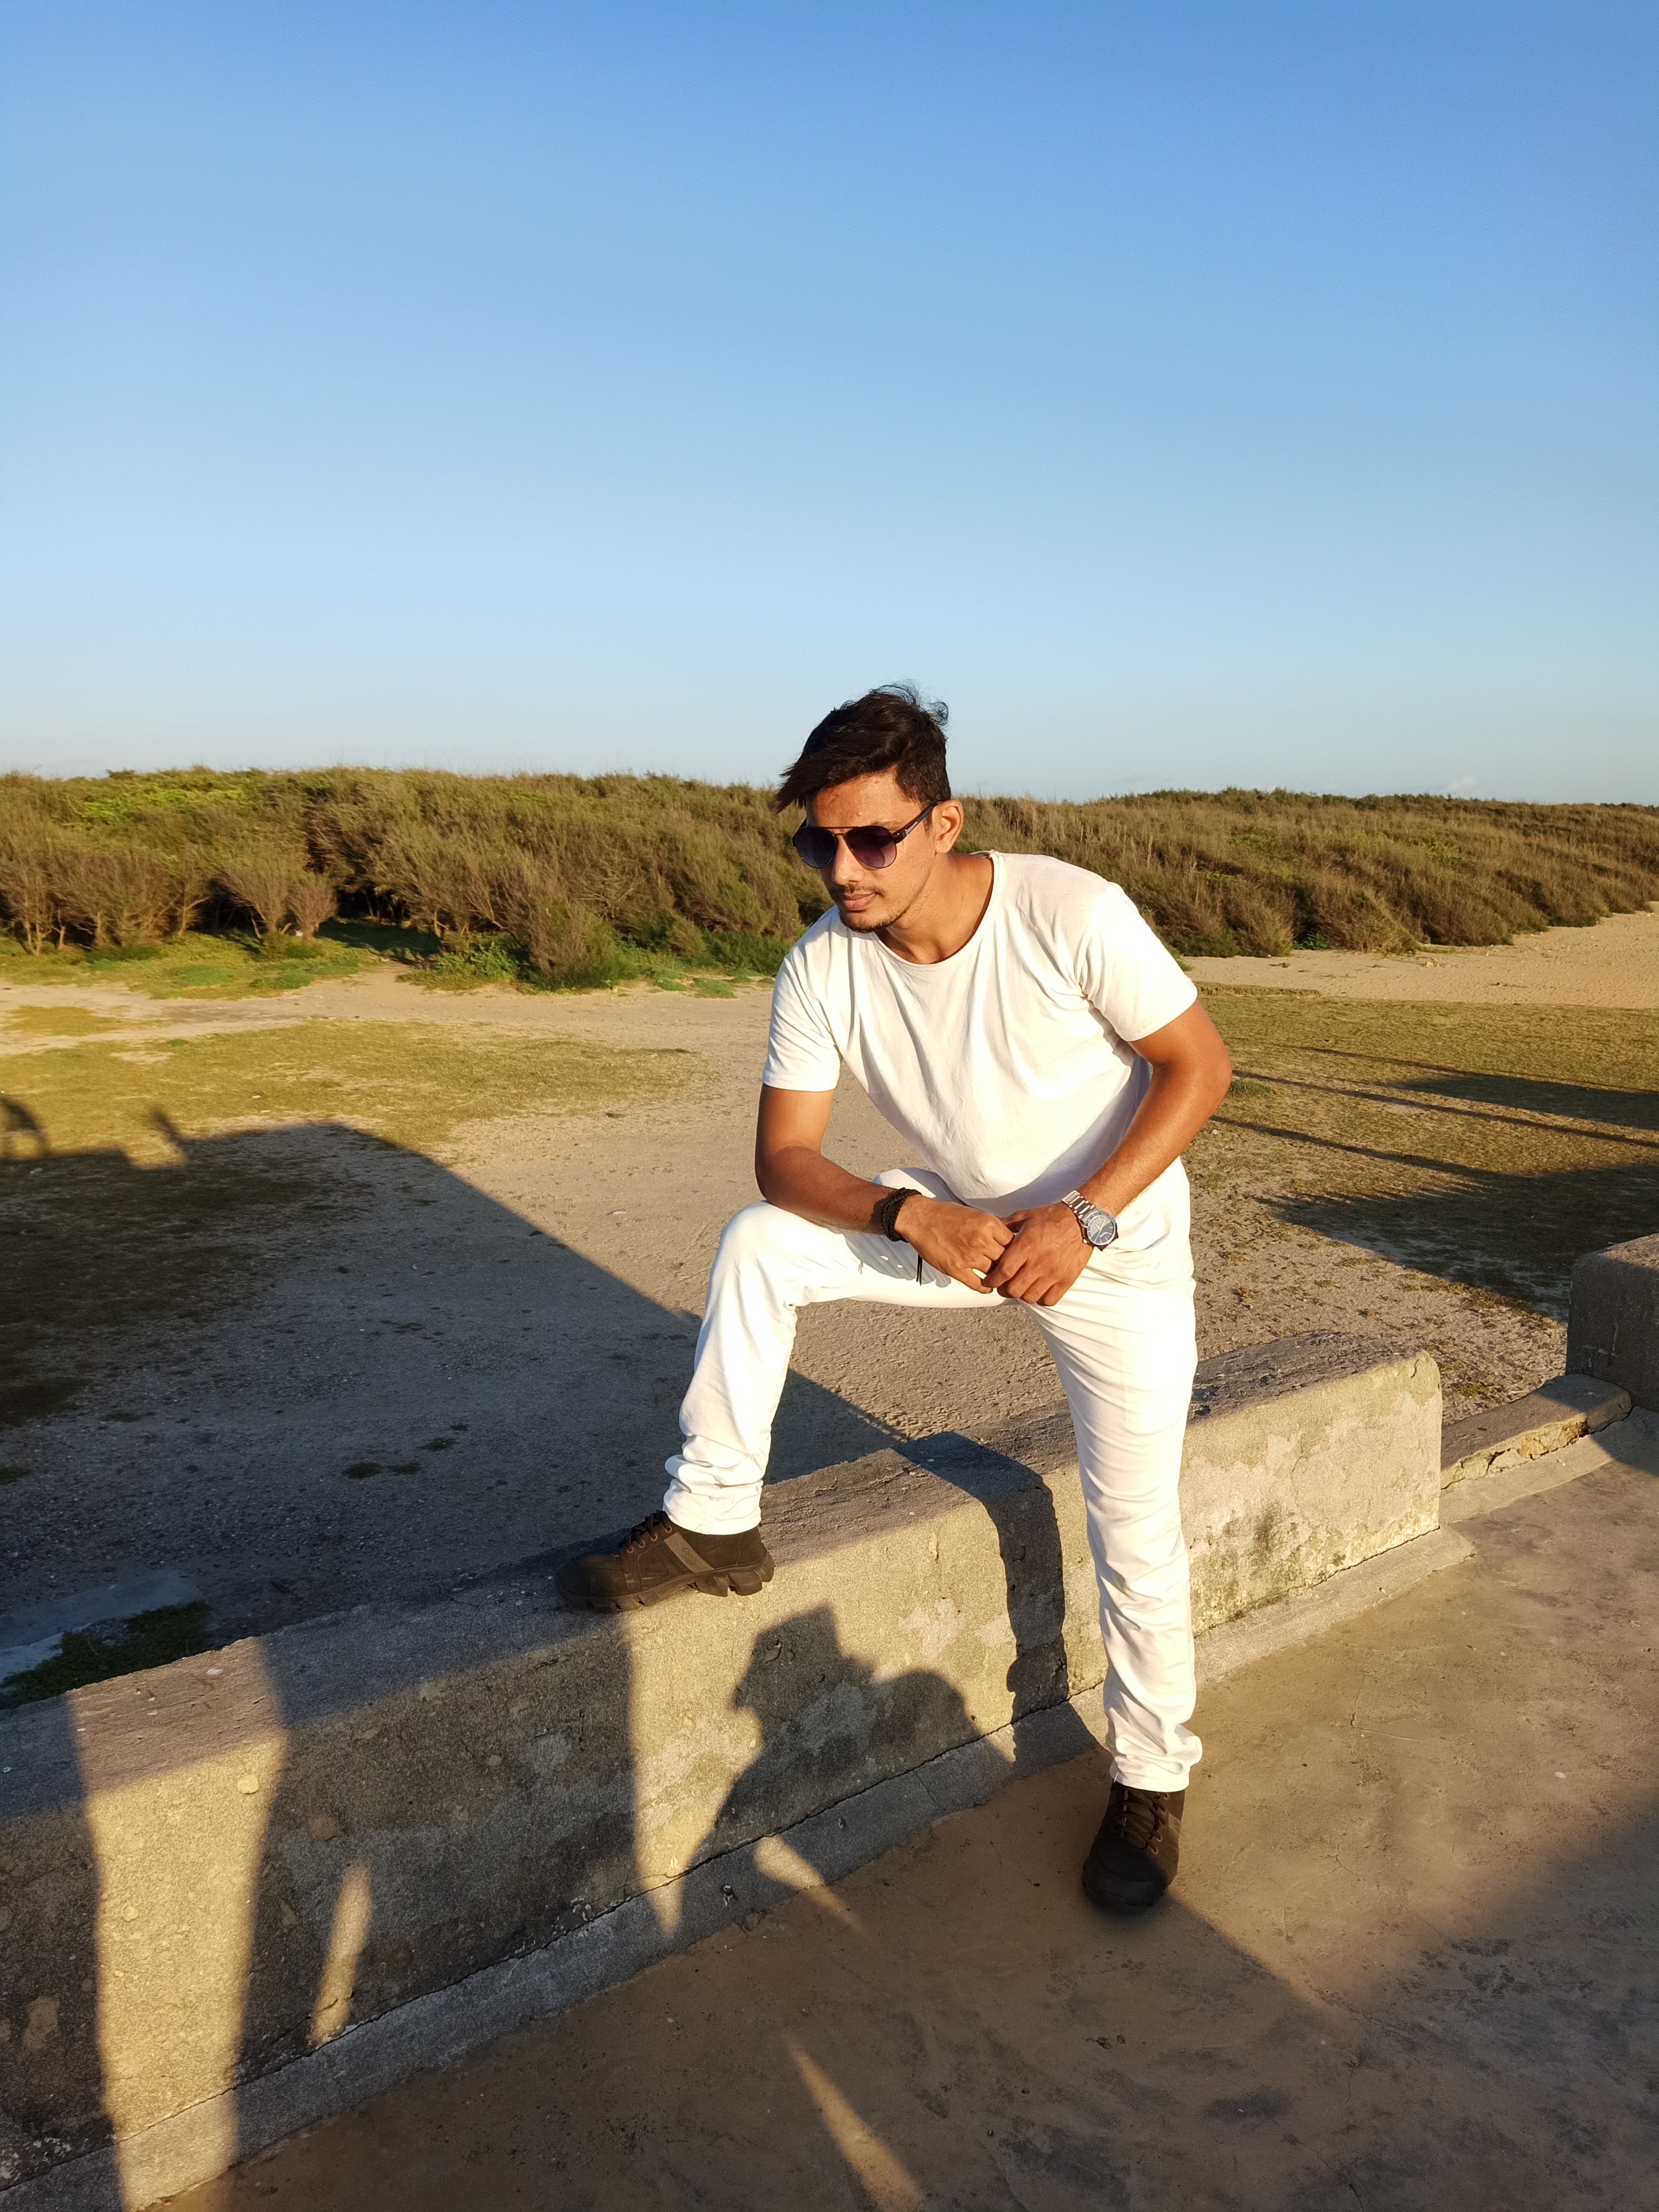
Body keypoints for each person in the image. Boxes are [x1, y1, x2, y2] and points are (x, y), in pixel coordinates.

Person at [557, 685, 1234, 1913]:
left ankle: (1151, 1777)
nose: (843, 871)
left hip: (1112, 1254)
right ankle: (713, 1518)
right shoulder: (824, 964)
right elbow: (786, 1161)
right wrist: (910, 1214)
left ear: (943, 822)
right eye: (819, 843)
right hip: (960, 1230)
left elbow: (1200, 1066)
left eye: (871, 839)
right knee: (762, 1242)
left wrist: (1085, 1218)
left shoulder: (1068, 910)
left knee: (1134, 1528)